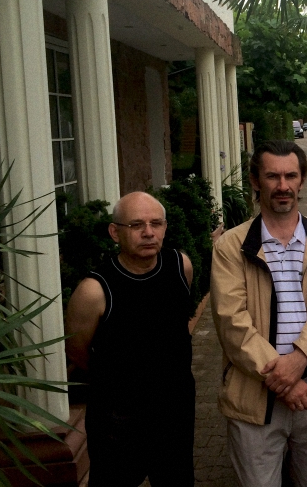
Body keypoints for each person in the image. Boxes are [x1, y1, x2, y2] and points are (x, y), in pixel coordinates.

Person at [211, 140, 307, 487]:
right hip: (255, 395)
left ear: (302, 180)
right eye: (272, 176)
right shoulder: (231, 246)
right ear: (255, 181)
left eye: (290, 176)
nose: (283, 185)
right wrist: (283, 379)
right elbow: (232, 323)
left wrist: (299, 359)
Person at [65, 191, 195, 486]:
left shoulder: (180, 266)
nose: (148, 233)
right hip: (118, 420)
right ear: (115, 233)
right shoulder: (94, 291)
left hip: (175, 411)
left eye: (156, 223)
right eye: (136, 225)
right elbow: (77, 351)